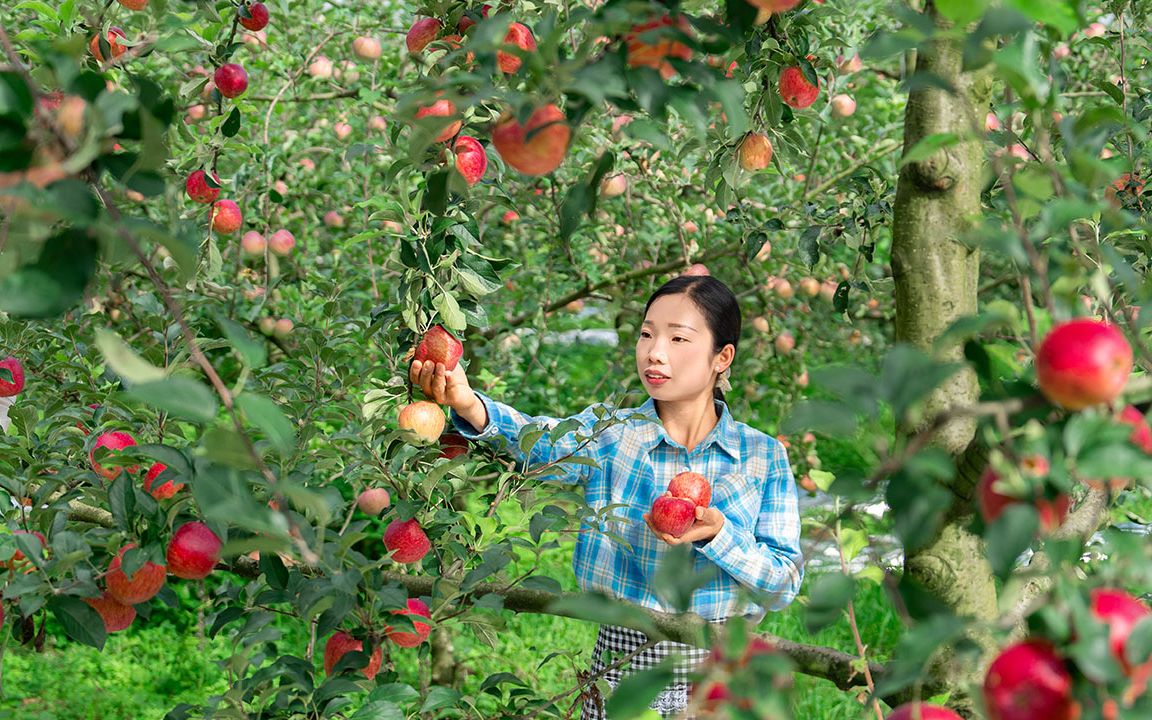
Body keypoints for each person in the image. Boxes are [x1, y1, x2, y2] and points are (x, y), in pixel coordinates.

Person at [408, 274, 803, 718]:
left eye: (678, 338)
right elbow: (536, 443)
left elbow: (783, 585)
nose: (655, 351)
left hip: (720, 679)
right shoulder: (611, 433)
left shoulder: (761, 456)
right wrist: (467, 403)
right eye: (647, 334)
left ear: (722, 357)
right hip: (622, 667)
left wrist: (719, 536)